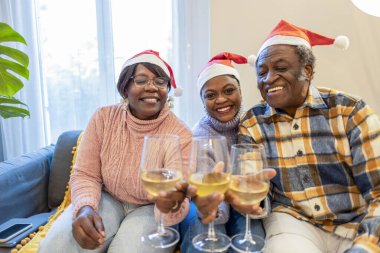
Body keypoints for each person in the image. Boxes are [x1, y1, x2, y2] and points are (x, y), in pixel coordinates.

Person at [239, 20, 380, 253]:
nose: (268, 79)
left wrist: (365, 246)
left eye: (280, 68)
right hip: (292, 222)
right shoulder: (252, 123)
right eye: (261, 72)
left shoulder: (350, 111)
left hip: (356, 223)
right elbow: (254, 192)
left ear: (307, 70)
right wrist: (246, 198)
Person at [38, 50, 192, 253]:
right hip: (107, 198)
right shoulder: (103, 118)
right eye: (141, 80)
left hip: (151, 209)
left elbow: (179, 195)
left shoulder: (180, 133)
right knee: (55, 246)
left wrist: (171, 203)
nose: (152, 87)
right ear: (124, 88)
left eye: (160, 81)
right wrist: (85, 207)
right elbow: (86, 174)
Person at [181, 52, 271, 253]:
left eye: (229, 90)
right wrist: (216, 213)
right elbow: (208, 190)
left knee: (252, 240)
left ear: (240, 91)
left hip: (243, 199)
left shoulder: (253, 123)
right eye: (210, 95)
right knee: (206, 233)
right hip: (212, 202)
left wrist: (245, 204)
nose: (221, 100)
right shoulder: (200, 135)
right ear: (202, 101)